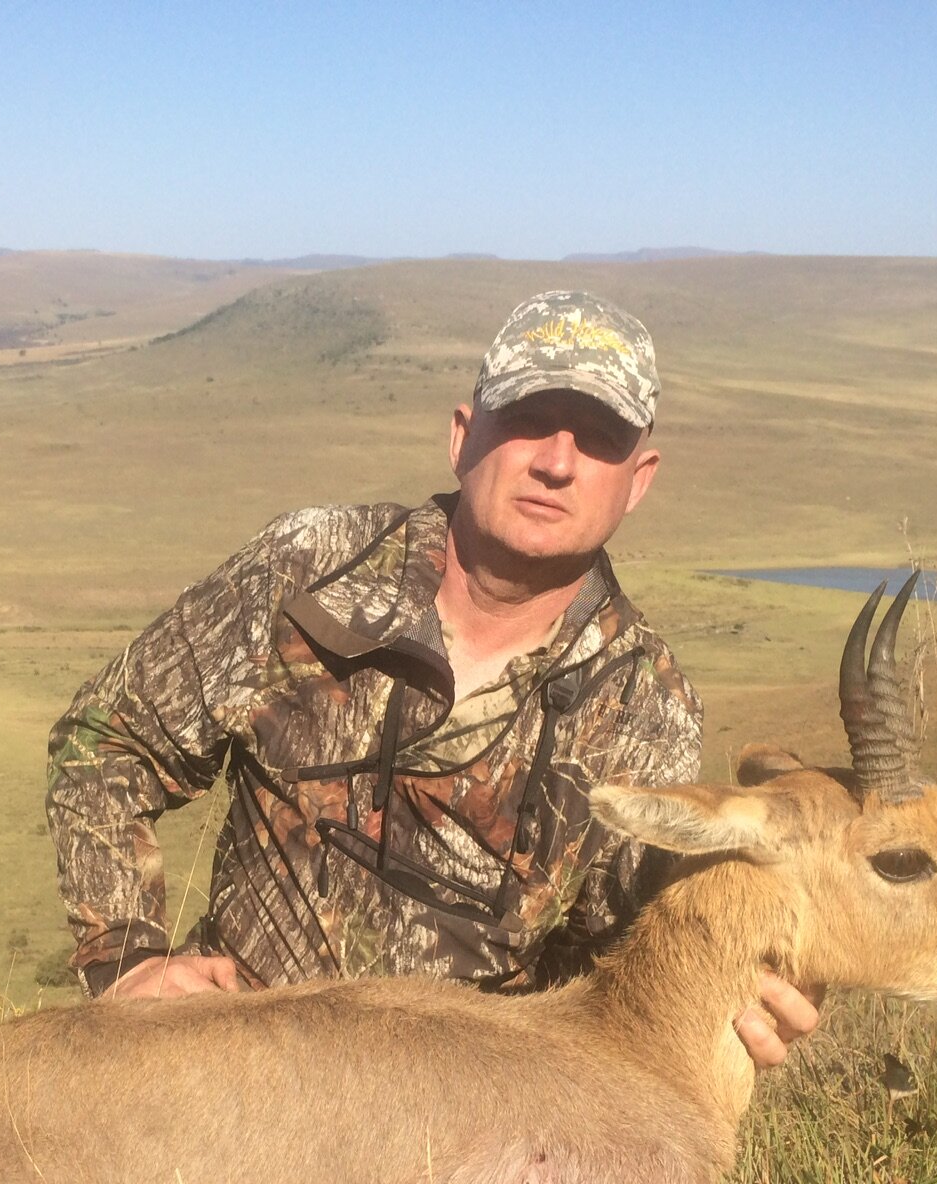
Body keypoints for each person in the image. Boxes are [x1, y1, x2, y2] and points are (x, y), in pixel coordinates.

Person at [45, 290, 818, 1065]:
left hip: (460, 1128)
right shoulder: (307, 566)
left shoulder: (646, 708)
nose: (554, 462)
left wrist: (744, 987)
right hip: (228, 1069)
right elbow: (104, 742)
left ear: (638, 480)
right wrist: (127, 959)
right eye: (525, 420)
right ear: (462, 436)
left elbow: (626, 960)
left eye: (597, 439)